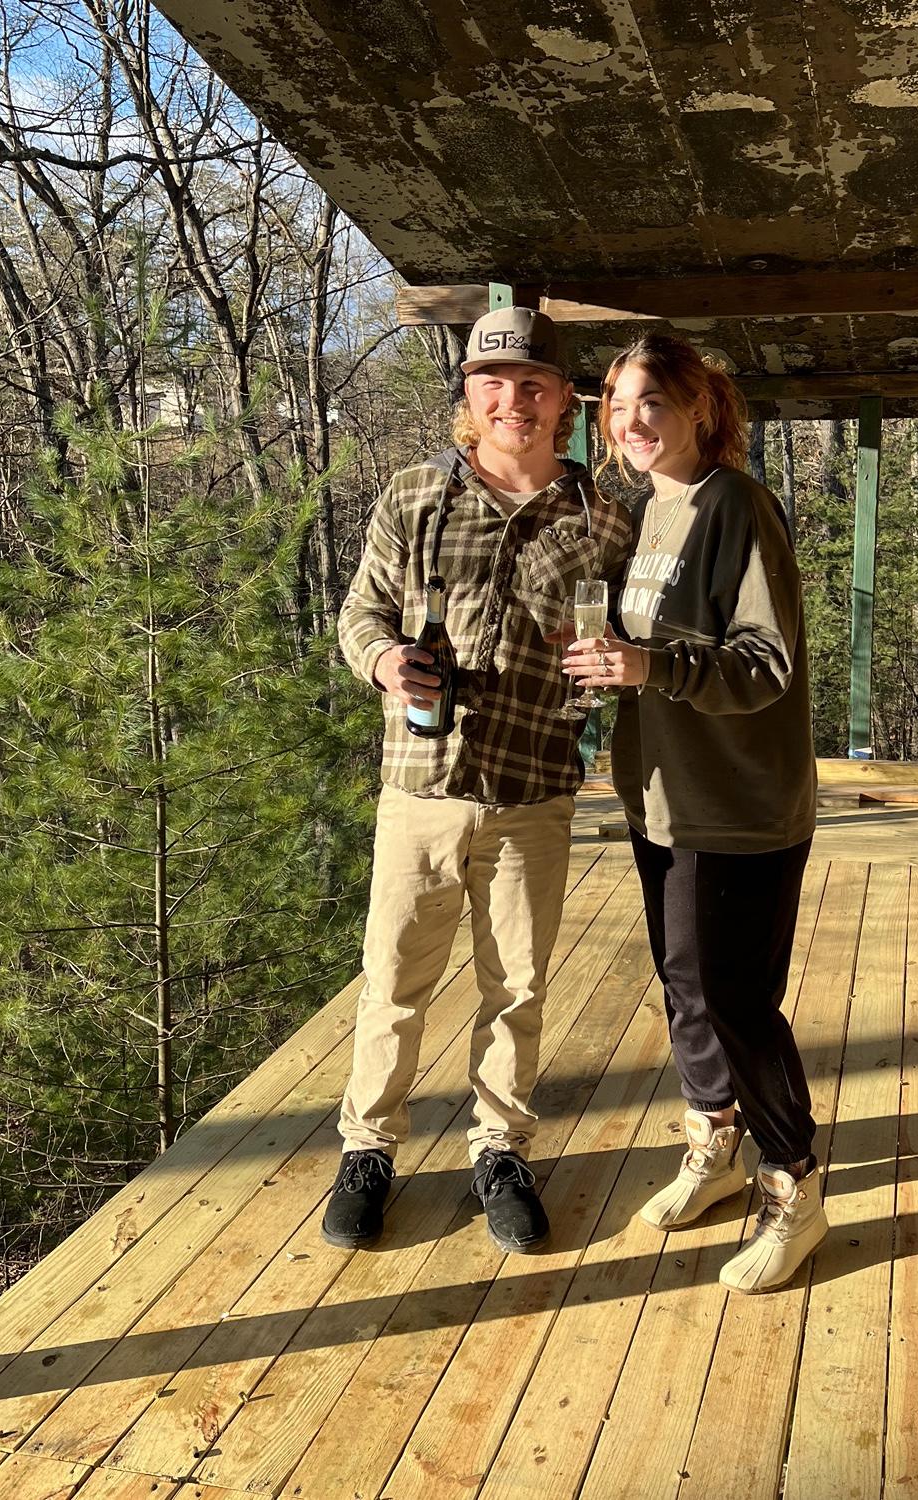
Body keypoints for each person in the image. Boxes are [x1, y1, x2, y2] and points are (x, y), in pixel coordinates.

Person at [325, 306, 632, 1254]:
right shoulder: (417, 495)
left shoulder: (602, 518)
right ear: (468, 394)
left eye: (534, 384)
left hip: (534, 787)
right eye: (493, 382)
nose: (513, 400)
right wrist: (385, 662)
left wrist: (614, 664)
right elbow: (360, 613)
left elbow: (629, 639)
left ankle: (500, 1151)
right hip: (420, 786)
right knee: (393, 982)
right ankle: (368, 1151)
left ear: (565, 400)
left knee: (518, 988)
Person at [562, 332, 824, 1293]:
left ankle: (794, 1182)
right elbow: (649, 652)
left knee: (734, 1000)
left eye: (653, 403)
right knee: (685, 985)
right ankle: (714, 1141)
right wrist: (611, 668)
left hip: (739, 804)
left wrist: (650, 665)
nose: (632, 422)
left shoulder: (737, 506)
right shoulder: (648, 513)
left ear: (701, 410)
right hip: (662, 798)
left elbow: (766, 661)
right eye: (618, 406)